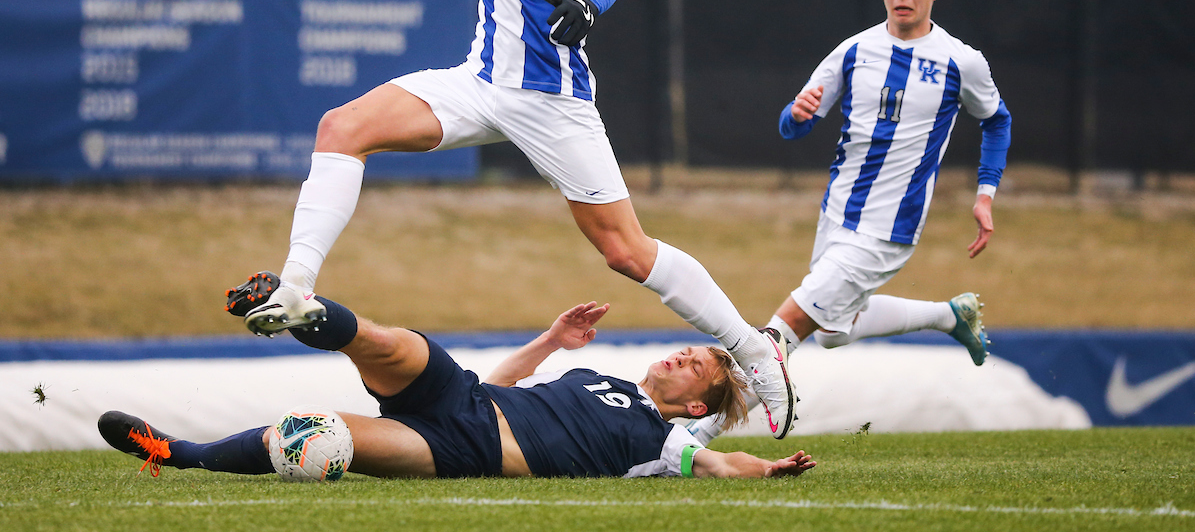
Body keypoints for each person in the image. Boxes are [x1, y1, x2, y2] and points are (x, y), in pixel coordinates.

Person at [226, 0, 796, 439]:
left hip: (548, 96)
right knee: (342, 126)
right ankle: (297, 287)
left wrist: (587, 3)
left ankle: (754, 350)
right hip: (480, 80)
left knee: (625, 250)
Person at [685, 0, 1013, 443]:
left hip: (888, 228)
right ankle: (951, 316)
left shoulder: (960, 61)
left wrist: (985, 194)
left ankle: (697, 436)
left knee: (776, 336)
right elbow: (791, 125)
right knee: (835, 332)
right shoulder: (854, 51)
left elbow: (997, 120)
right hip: (838, 213)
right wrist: (796, 114)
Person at [103, 282, 817, 480]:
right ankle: (299, 308)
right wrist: (553, 340)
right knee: (393, 342)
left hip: (460, 452)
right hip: (467, 397)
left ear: (695, 402)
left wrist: (773, 467)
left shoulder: (666, 446)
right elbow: (507, 381)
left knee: (309, 437)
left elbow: (726, 463)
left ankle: (178, 454)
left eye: (692, 365)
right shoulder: (600, 374)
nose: (677, 357)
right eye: (685, 350)